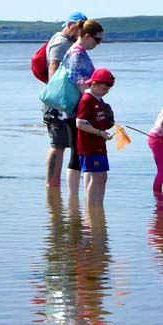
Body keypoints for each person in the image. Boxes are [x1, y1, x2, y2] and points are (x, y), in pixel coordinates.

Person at [58, 20, 105, 191]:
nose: (98, 44)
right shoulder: (77, 54)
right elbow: (80, 82)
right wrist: (93, 101)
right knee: (78, 153)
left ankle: (77, 198)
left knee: (79, 152)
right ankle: (74, 198)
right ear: (86, 36)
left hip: (78, 108)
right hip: (78, 109)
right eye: (97, 40)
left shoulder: (78, 52)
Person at [42, 12, 87, 188]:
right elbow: (53, 69)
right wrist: (58, 102)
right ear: (70, 25)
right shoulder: (61, 43)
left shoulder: (67, 42)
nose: (80, 33)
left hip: (63, 102)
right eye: (79, 28)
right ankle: (52, 186)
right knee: (57, 144)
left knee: (63, 144)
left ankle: (55, 188)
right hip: (57, 103)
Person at [74, 67, 116, 209]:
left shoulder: (99, 100)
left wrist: (106, 129)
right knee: (96, 177)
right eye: (104, 89)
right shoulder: (87, 99)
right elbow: (79, 123)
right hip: (89, 146)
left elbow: (101, 121)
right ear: (94, 84)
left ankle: (99, 208)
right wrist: (99, 133)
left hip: (99, 144)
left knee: (103, 178)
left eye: (108, 90)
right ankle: (91, 207)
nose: (106, 92)